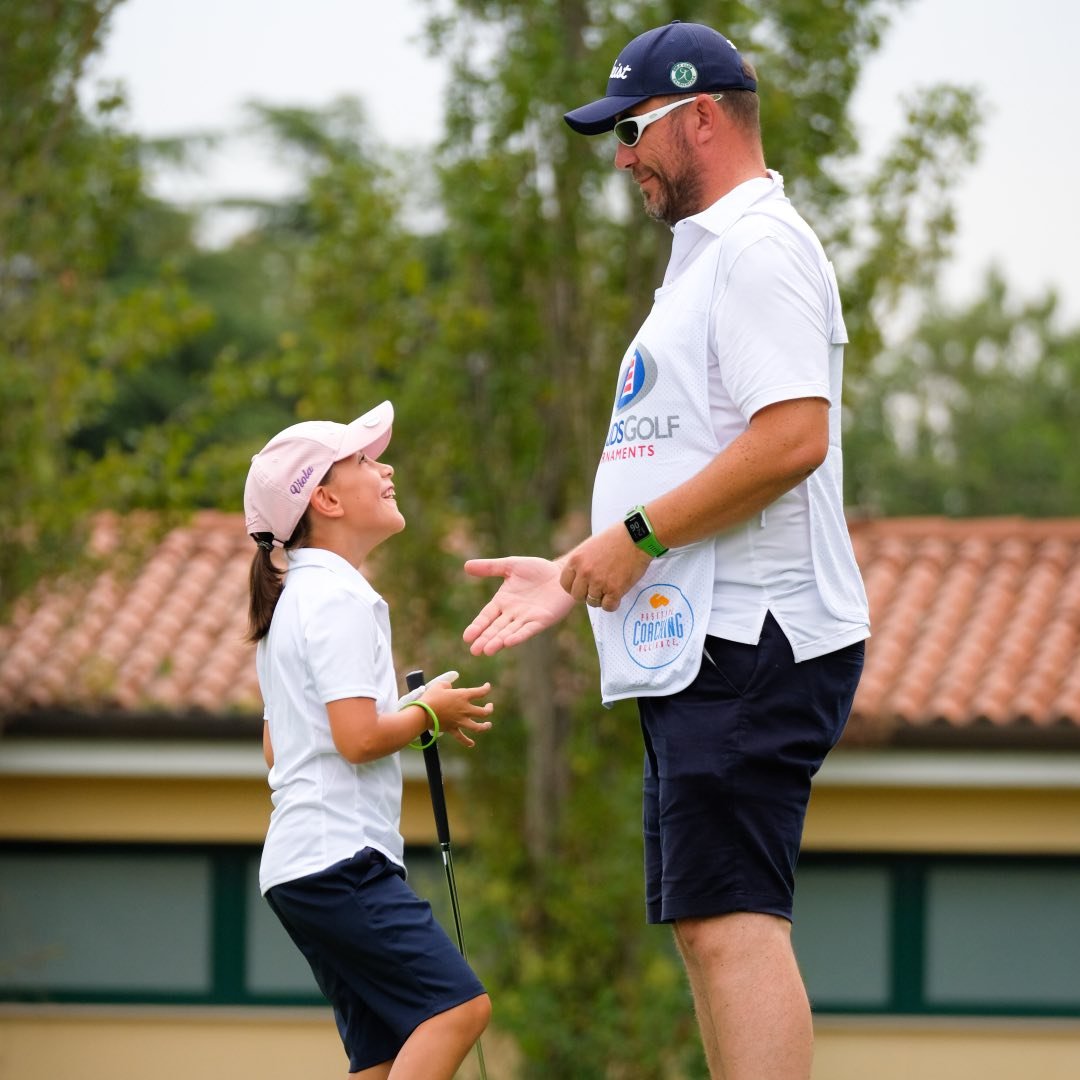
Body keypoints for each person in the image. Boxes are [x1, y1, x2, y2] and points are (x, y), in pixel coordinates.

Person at [463, 21, 869, 1080]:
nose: (620, 157)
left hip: (754, 637)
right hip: (705, 642)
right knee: (708, 924)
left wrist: (636, 538)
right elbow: (687, 452)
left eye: (631, 130)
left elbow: (793, 439)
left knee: (732, 922)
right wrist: (574, 570)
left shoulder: (759, 249)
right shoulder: (709, 259)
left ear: (702, 118)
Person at [244, 400, 494, 1080]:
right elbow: (355, 740)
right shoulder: (341, 598)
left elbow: (281, 747)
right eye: (362, 461)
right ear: (325, 500)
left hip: (303, 866)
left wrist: (408, 710)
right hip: (339, 862)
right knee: (458, 1010)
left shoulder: (293, 602)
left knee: (381, 1055)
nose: (385, 470)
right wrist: (428, 713)